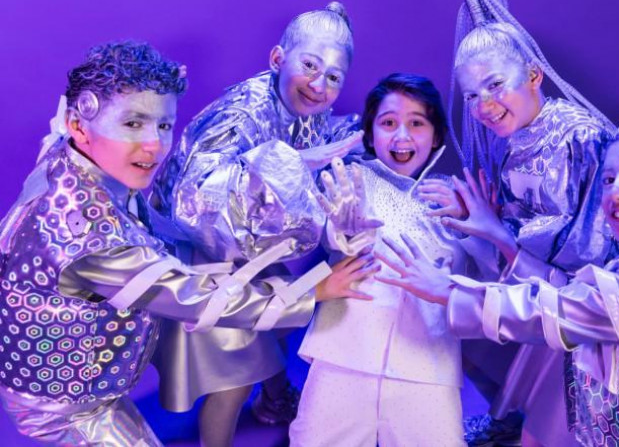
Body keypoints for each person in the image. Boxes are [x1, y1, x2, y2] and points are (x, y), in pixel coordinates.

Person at [0, 41, 369, 446]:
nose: (155, 145)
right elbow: (201, 300)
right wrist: (312, 290)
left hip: (94, 370)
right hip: (72, 405)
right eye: (133, 123)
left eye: (163, 125)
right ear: (78, 125)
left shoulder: (70, 154)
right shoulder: (90, 238)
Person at [378, 117, 619, 446]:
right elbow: (580, 299)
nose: (617, 193)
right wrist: (500, 237)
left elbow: (550, 313)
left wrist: (447, 291)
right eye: (609, 179)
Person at [150, 2, 365, 446]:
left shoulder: (306, 108)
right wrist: (291, 163)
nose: (319, 85)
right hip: (198, 250)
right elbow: (194, 199)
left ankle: (275, 397)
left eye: (333, 77)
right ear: (277, 58)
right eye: (310, 66)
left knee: (283, 315)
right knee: (237, 373)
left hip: (248, 245)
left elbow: (319, 148)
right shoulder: (243, 112)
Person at [420, 0, 613, 446]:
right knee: (447, 302)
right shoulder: (508, 140)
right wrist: (478, 216)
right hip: (534, 278)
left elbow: (592, 245)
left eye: (495, 85)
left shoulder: (580, 136)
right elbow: (514, 218)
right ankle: (506, 414)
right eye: (471, 96)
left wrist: (498, 232)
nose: (484, 106)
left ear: (534, 76)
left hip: (583, 300)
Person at [289, 73, 495, 446]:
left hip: (428, 365)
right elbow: (334, 235)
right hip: (344, 356)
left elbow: (484, 278)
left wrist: (473, 225)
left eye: (416, 123)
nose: (402, 136)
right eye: (388, 123)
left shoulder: (456, 198)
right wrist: (344, 234)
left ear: (436, 135)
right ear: (370, 135)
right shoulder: (351, 181)